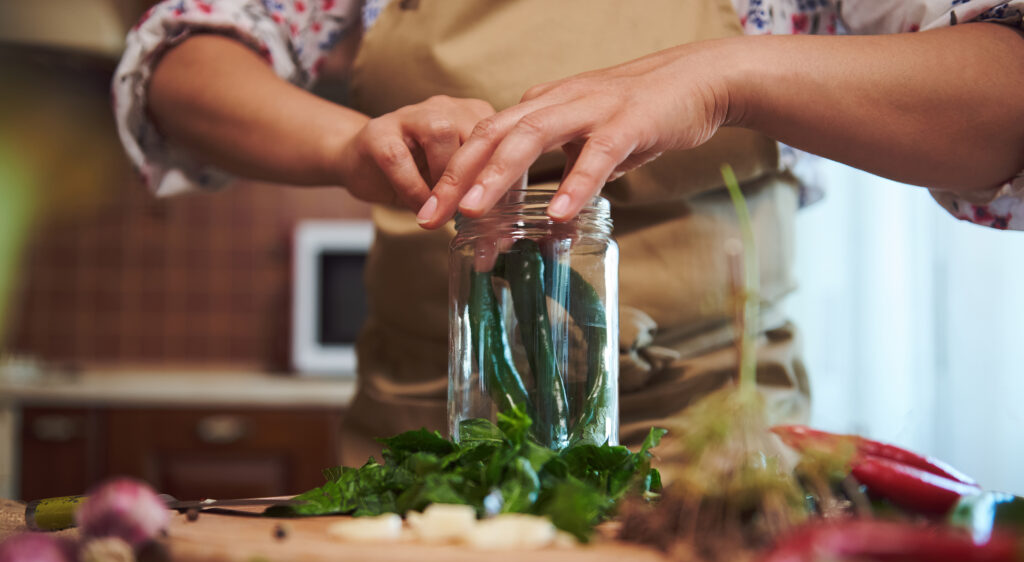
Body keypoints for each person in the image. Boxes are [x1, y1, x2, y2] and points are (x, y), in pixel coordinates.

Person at [113, 0, 1024, 465]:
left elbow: (1004, 87)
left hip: (716, 455)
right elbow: (181, 55)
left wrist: (723, 78)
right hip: (431, 450)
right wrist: (349, 145)